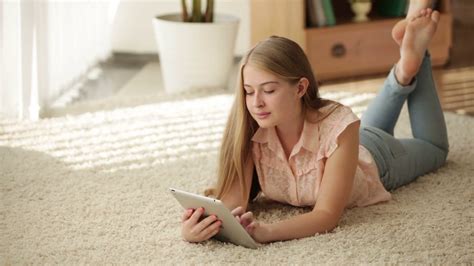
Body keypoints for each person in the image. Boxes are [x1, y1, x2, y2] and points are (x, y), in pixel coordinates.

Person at [180, 1, 449, 244]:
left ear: (300, 88)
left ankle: (417, 55)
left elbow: (327, 215)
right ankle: (402, 70)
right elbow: (233, 204)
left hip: (379, 158)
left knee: (434, 147)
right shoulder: (252, 129)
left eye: (269, 90)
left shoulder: (339, 124)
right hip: (349, 143)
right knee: (362, 128)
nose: (256, 102)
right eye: (249, 91)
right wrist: (200, 226)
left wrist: (268, 232)